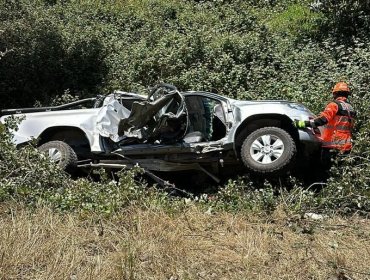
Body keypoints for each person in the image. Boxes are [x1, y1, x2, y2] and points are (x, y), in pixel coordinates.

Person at [295, 82, 356, 167]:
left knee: (326, 172)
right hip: (346, 146)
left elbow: (322, 120)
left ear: (335, 93)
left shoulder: (334, 105)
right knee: (339, 171)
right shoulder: (351, 108)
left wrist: (303, 124)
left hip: (332, 145)